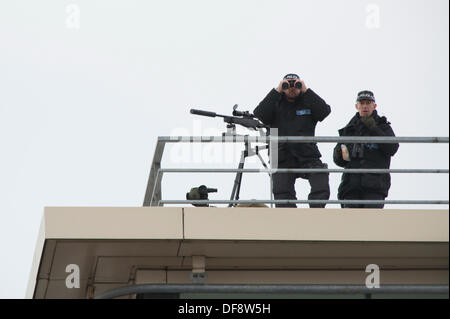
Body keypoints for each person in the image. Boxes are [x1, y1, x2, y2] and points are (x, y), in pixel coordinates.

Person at [253, 74, 331, 208]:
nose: (292, 89)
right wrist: (276, 90)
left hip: (307, 154)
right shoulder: (275, 104)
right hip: (283, 155)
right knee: (282, 193)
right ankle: (289, 220)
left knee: (320, 181)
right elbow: (260, 114)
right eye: (287, 85)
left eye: (296, 85)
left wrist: (306, 90)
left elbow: (324, 111)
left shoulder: (308, 102)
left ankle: (316, 214)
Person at [333, 90, 399, 208]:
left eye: (368, 103)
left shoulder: (382, 125)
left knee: (371, 224)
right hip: (350, 187)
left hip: (375, 187)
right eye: (362, 103)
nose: (365, 106)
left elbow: (392, 148)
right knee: (350, 224)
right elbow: (340, 161)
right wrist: (339, 153)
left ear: (374, 106)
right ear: (356, 106)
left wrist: (373, 128)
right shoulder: (349, 128)